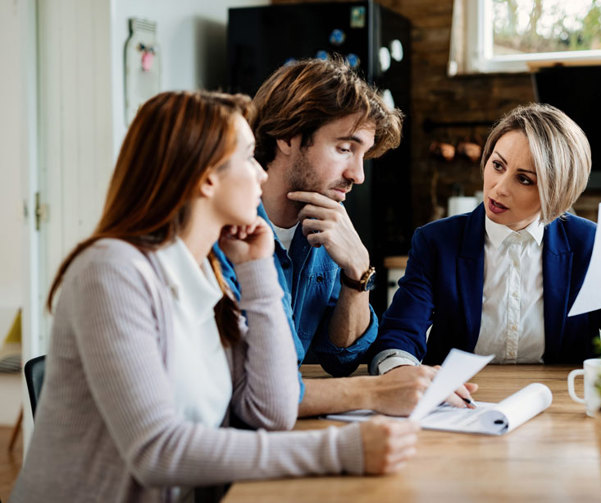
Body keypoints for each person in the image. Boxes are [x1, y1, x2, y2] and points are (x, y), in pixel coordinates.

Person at [11, 91, 418, 502]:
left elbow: (272, 409)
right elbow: (157, 452)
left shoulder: (209, 271)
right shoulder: (113, 271)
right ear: (207, 177)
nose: (261, 174)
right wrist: (341, 450)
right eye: (247, 157)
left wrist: (257, 268)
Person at [368, 103, 601, 373]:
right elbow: (397, 337)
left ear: (557, 192)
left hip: (558, 405)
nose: (498, 188)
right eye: (498, 164)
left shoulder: (587, 244)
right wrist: (403, 375)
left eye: (524, 179)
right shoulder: (435, 241)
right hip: (458, 402)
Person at [215, 58, 474, 416]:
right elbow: (252, 385)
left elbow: (342, 358)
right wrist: (379, 389)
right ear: (288, 136)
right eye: (344, 149)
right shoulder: (224, 233)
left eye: (363, 155)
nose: (358, 175)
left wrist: (358, 273)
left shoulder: (325, 228)